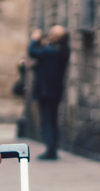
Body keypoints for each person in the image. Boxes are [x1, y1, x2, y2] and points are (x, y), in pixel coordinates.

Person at [28, 25, 70, 160]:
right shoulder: (62, 50)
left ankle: (50, 150)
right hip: (55, 90)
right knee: (52, 119)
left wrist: (34, 39)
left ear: (54, 37)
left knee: (47, 120)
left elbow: (32, 52)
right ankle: (52, 148)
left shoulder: (52, 51)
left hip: (46, 91)